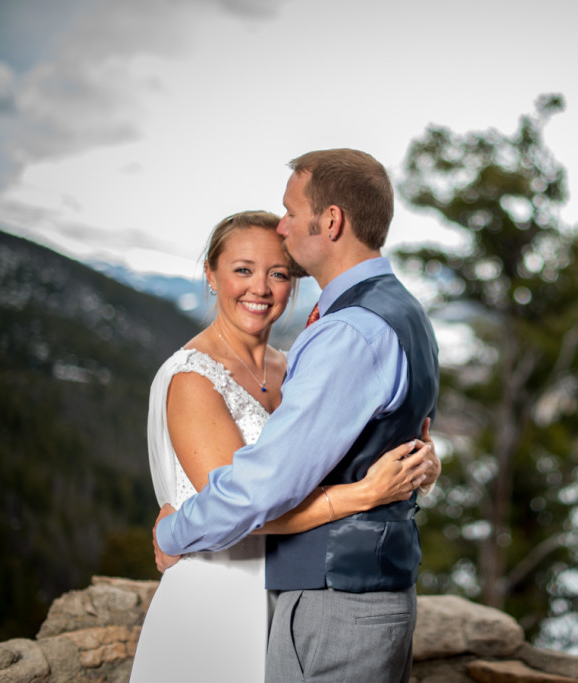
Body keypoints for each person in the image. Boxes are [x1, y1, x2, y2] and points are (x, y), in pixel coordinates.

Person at [153, 149, 440, 682]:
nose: (283, 225)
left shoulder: (347, 331)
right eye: (242, 269)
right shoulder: (401, 310)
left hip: (335, 598)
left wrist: (172, 535)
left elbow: (263, 487)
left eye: (290, 210)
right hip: (312, 591)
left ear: (330, 221)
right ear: (212, 276)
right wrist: (398, 476)